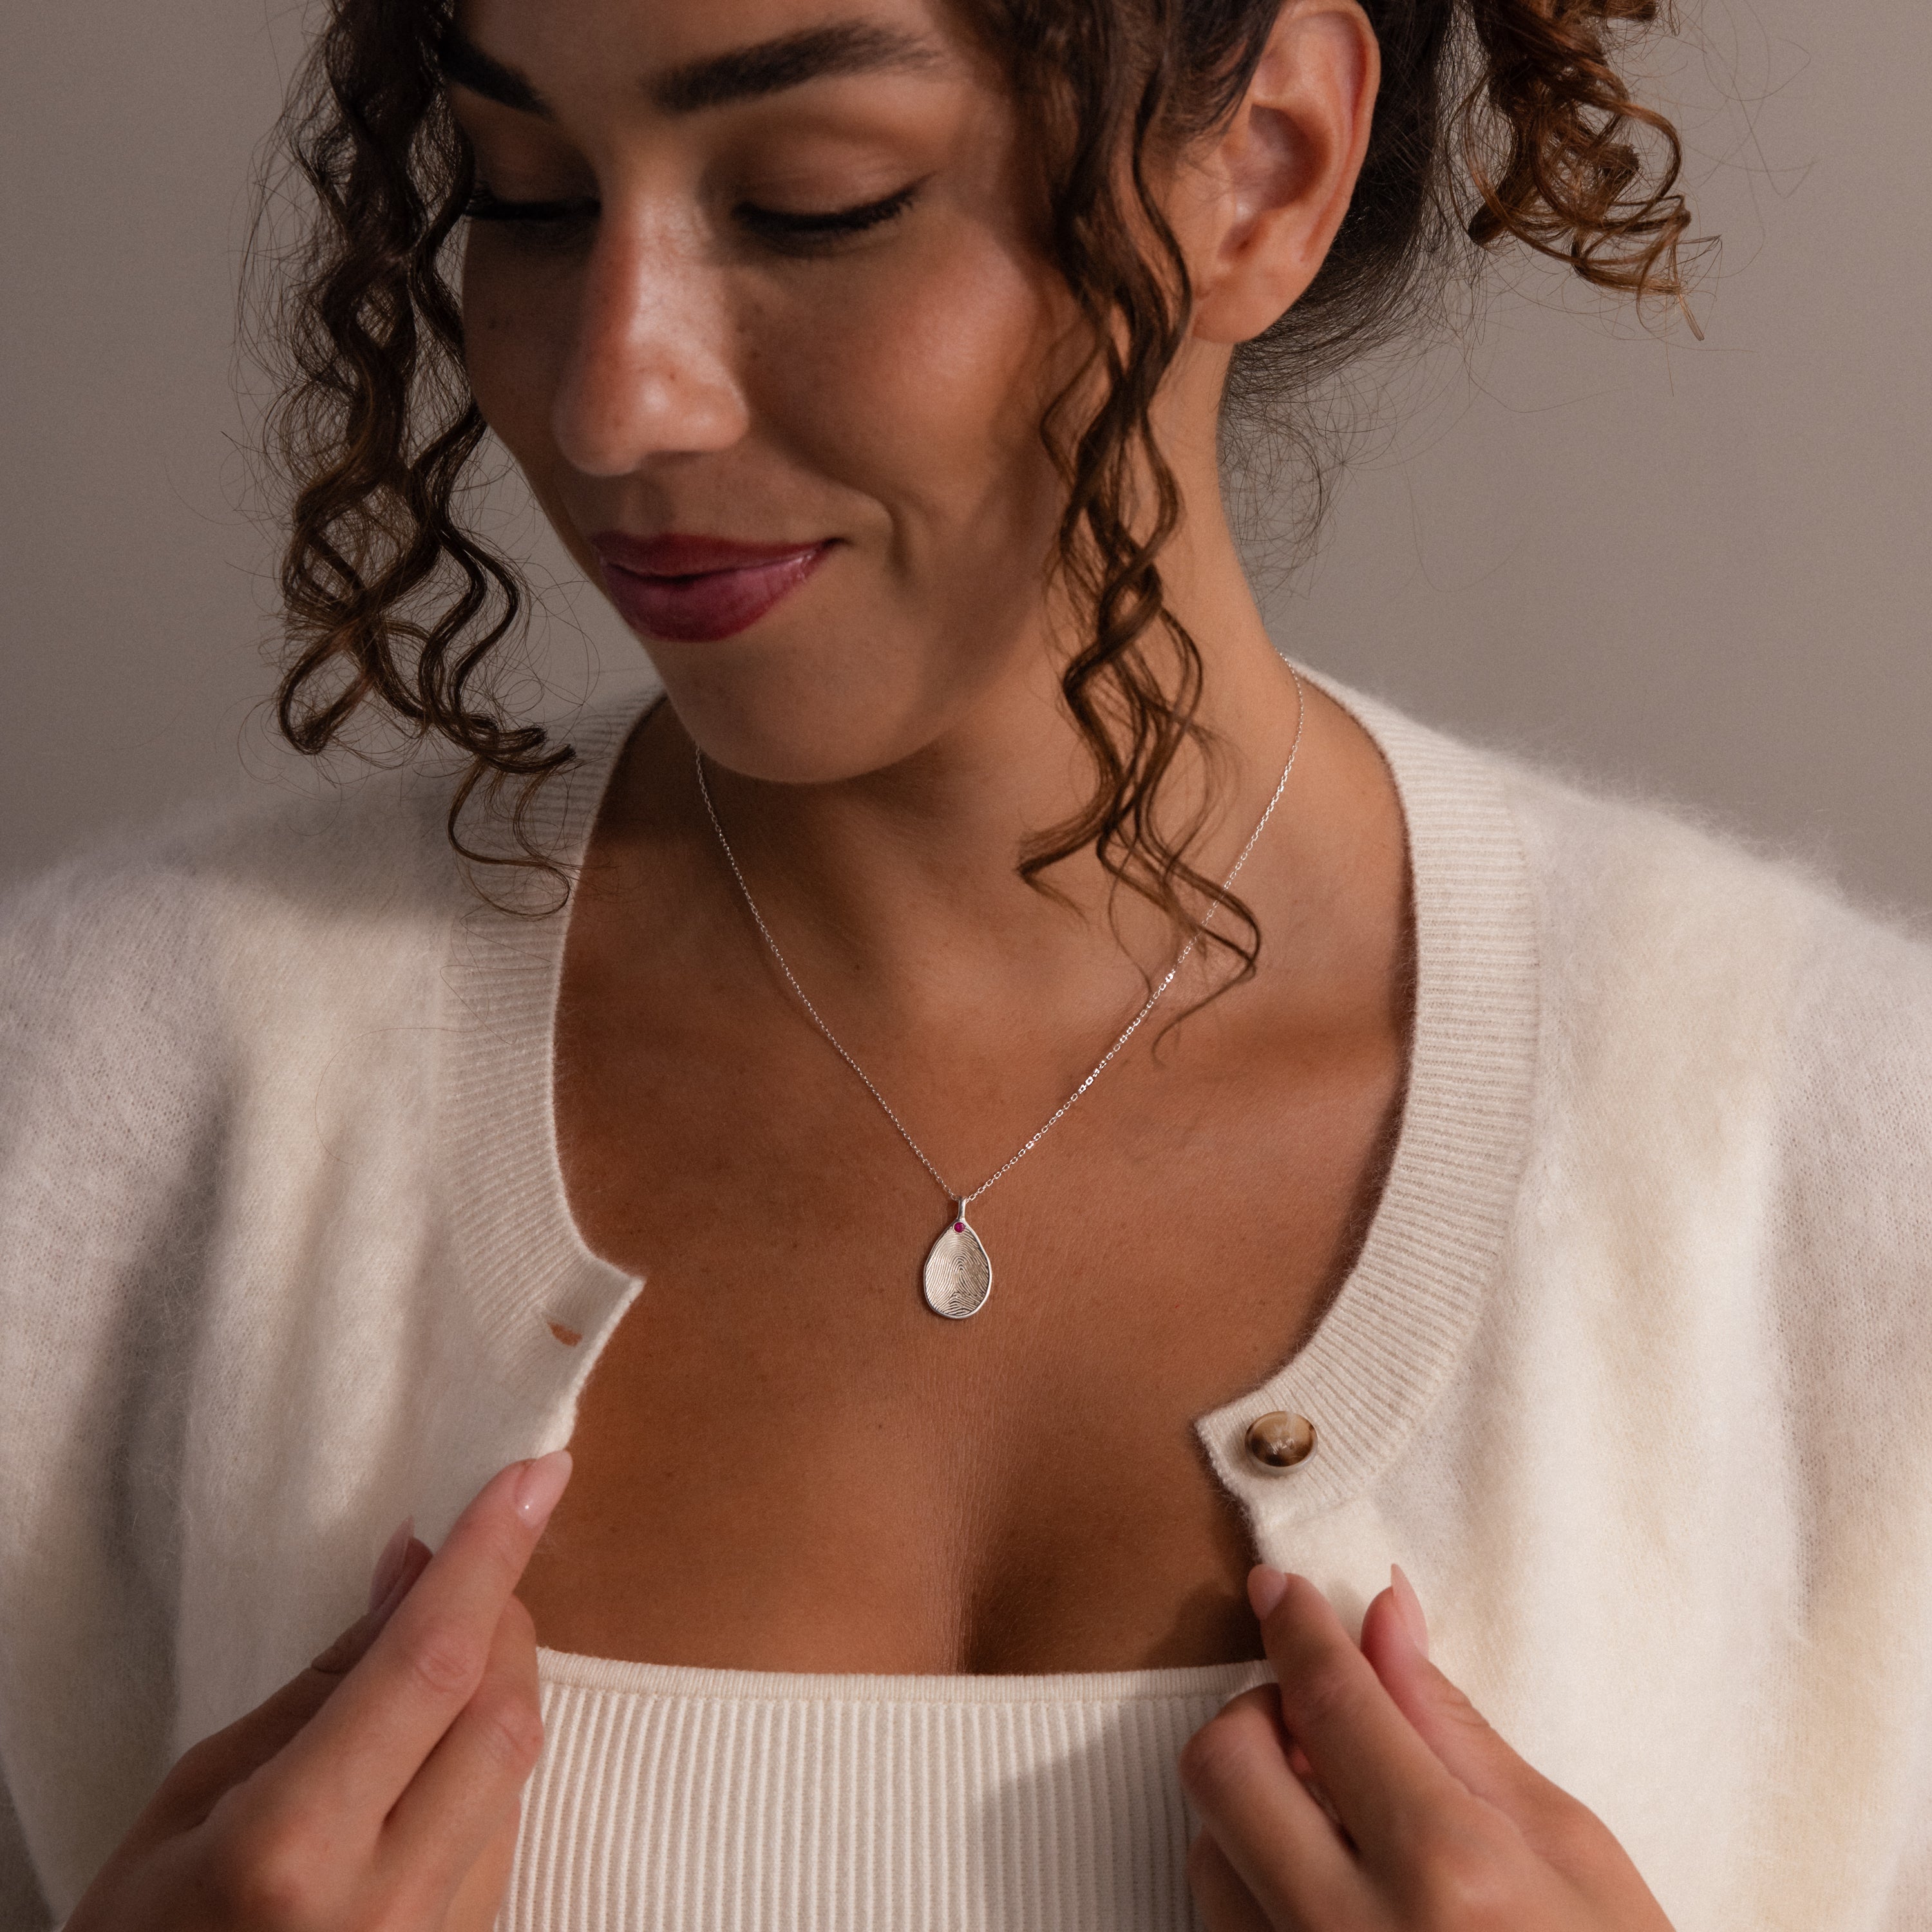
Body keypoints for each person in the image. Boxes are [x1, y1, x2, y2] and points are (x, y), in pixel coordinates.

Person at [3, 0, 1928, 1925]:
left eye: (813, 204)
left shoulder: (1840, 1173)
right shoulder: (96, 1104)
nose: (612, 400)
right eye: (529, 198)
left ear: (1259, 169)